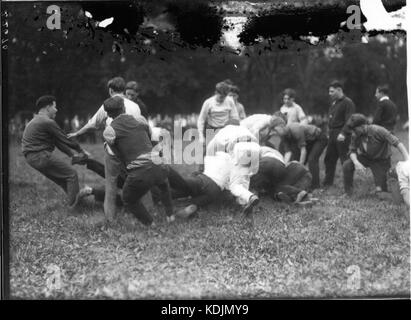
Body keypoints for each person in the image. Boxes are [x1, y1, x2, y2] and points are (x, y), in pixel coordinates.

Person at [68, 77, 141, 221]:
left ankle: (110, 219)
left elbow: (93, 124)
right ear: (123, 90)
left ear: (111, 90)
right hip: (133, 151)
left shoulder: (107, 105)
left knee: (111, 185)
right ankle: (143, 214)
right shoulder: (135, 106)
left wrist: (77, 133)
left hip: (113, 151)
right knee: (138, 182)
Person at [102, 96, 175, 225]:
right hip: (158, 164)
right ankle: (170, 215)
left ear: (107, 114)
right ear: (124, 108)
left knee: (128, 199)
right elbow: (149, 137)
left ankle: (150, 224)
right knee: (163, 184)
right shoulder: (140, 120)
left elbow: (119, 155)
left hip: (139, 173)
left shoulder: (109, 131)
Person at [21, 95, 90, 209]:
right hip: (40, 156)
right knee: (71, 175)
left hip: (31, 158)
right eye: (55, 107)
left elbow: (58, 142)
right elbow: (65, 139)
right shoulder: (47, 122)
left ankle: (76, 203)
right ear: (48, 107)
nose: (56, 110)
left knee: (65, 179)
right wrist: (81, 150)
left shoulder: (37, 120)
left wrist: (72, 155)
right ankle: (75, 208)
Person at [169, 142, 261, 219]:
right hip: (215, 190)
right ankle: (190, 205)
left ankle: (168, 173)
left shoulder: (219, 154)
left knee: (183, 186)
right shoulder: (237, 166)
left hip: (204, 180)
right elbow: (233, 187)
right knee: (201, 199)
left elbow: (203, 164)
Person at [342, 113, 409, 196]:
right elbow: (352, 150)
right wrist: (356, 163)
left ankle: (381, 188)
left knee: (381, 193)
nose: (353, 132)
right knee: (347, 165)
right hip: (366, 157)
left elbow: (398, 143)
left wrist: (407, 160)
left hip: (381, 161)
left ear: (363, 126)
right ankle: (348, 192)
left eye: (355, 130)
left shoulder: (378, 130)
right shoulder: (356, 134)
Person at [272, 122, 328, 190]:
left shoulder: (296, 129)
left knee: (312, 159)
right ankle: (300, 184)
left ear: (281, 126)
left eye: (276, 130)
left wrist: (300, 166)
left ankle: (315, 186)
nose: (275, 132)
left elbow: (303, 150)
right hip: (309, 141)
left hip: (319, 138)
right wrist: (284, 165)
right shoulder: (283, 135)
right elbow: (288, 153)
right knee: (297, 161)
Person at [197, 81, 240, 169]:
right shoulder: (208, 102)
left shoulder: (230, 101)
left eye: (224, 97)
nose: (222, 99)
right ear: (216, 93)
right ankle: (201, 171)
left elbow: (235, 117)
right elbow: (201, 120)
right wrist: (201, 136)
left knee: (228, 152)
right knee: (208, 153)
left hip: (225, 130)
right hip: (211, 129)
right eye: (220, 97)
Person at [323, 81, 356, 187]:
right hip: (332, 134)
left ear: (339, 90)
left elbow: (350, 120)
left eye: (332, 91)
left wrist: (343, 133)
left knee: (345, 161)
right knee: (329, 159)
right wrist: (329, 133)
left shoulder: (348, 102)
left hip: (342, 135)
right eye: (329, 91)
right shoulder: (334, 103)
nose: (329, 93)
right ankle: (327, 184)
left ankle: (348, 187)